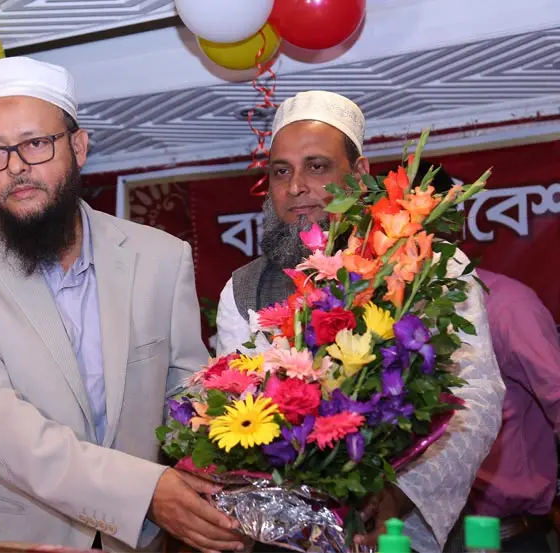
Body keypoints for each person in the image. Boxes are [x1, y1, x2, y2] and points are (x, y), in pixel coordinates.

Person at [0, 56, 245, 553]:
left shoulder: (160, 257)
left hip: (135, 541)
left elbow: (187, 394)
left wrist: (247, 460)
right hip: (10, 539)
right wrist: (143, 492)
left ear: (78, 147)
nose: (16, 167)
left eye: (36, 143)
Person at [215, 91, 505, 553]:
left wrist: (398, 495)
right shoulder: (243, 289)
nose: (296, 186)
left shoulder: (428, 266)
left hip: (399, 528)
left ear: (360, 172)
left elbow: (475, 397)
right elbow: (237, 413)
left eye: (317, 166)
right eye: (281, 171)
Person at [421, 161, 559, 553]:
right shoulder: (384, 319)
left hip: (506, 540)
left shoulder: (509, 307)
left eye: (424, 219)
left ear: (454, 223)